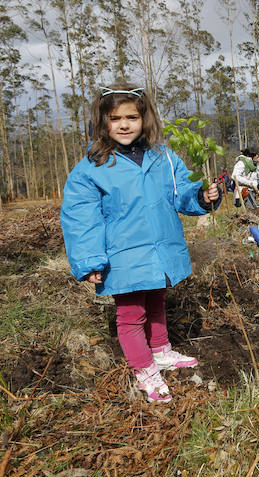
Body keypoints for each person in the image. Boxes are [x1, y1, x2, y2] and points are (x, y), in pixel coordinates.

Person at [60, 84, 221, 403]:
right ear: (102, 122)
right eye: (114, 118)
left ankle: (160, 351)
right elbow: (80, 217)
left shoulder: (164, 157)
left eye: (131, 116)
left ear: (144, 118)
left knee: (157, 300)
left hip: (160, 249)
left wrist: (201, 196)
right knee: (131, 314)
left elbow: (182, 192)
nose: (123, 124)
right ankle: (145, 371)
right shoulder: (92, 167)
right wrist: (91, 261)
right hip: (122, 256)